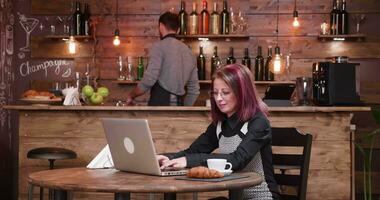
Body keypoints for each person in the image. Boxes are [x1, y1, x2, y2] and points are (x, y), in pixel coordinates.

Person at [157, 64, 280, 199]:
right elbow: (194, 152)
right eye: (215, 93)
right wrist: (168, 158)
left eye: (225, 92)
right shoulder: (221, 124)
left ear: (242, 92)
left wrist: (188, 160)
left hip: (262, 196)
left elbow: (237, 160)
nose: (219, 99)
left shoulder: (259, 122)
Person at [126, 12, 200, 106]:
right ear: (178, 30)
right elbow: (194, 90)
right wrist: (184, 110)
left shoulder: (159, 47)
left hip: (160, 106)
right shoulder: (189, 52)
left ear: (161, 26)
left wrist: (132, 95)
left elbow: (150, 78)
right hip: (179, 106)